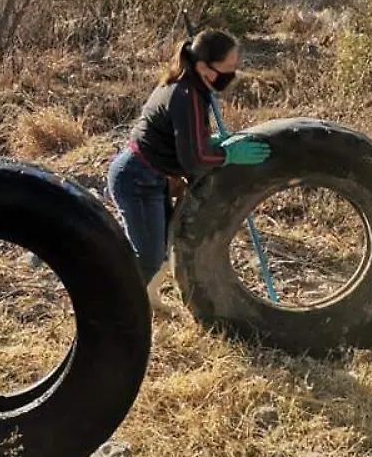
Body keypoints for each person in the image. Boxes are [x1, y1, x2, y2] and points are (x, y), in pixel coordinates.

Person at [107, 29, 271, 309]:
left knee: (160, 248)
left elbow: (186, 139)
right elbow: (194, 161)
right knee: (147, 257)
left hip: (152, 174)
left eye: (235, 68)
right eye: (227, 69)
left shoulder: (191, 85)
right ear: (204, 66)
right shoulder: (186, 95)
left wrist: (213, 143)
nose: (232, 75)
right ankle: (112, 310)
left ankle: (148, 301)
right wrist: (227, 154)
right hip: (136, 177)